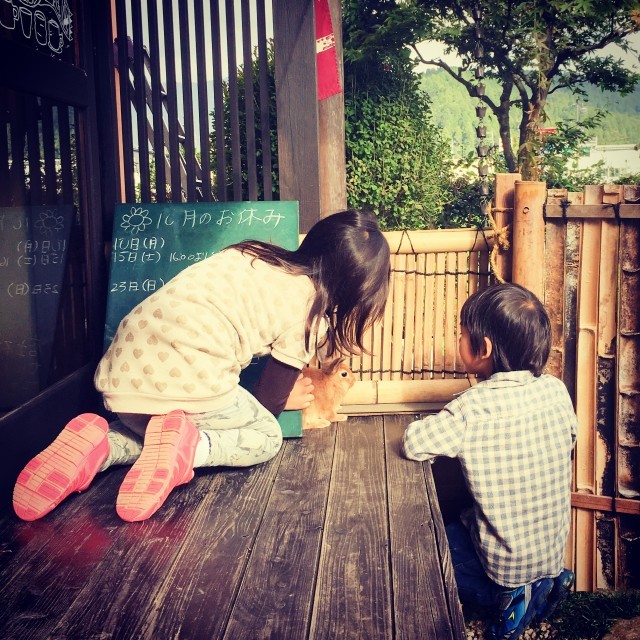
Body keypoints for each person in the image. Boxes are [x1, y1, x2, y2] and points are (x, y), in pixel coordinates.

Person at [14, 209, 391, 523]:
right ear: (354, 291)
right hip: (191, 379)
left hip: (122, 374)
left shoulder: (253, 253)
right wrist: (284, 402)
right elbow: (268, 404)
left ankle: (100, 445)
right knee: (265, 436)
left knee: (156, 430)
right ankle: (191, 449)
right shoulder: (310, 314)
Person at [402, 283, 577, 640]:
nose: (458, 340)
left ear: (483, 349)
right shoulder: (556, 390)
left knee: (429, 546)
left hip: (503, 567)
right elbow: (571, 438)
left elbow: (413, 444)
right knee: (475, 517)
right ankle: (547, 581)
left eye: (461, 334)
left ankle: (507, 599)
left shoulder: (471, 408)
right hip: (550, 550)